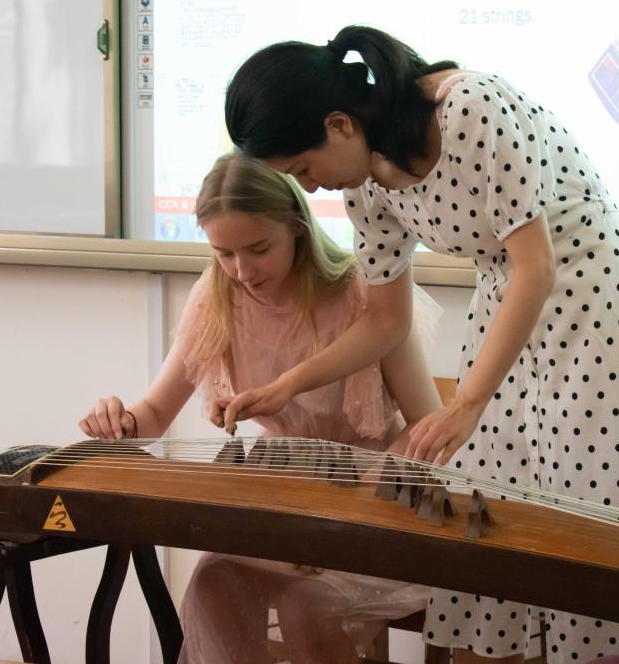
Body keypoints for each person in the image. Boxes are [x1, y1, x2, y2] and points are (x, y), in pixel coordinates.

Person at [219, 26, 619, 663]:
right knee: (487, 522)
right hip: (507, 306)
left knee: (588, 517)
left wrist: (468, 403)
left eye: (303, 168)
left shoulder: (469, 108)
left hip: (597, 300)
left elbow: (537, 267)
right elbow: (385, 320)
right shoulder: (365, 188)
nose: (308, 186)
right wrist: (288, 384)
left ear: (339, 124)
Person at [78, 151, 442, 664]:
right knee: (212, 587)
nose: (242, 271)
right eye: (223, 253)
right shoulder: (217, 296)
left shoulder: (364, 297)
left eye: (258, 249)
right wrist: (120, 420)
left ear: (296, 227)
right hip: (281, 498)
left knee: (304, 606)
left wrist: (353, 506)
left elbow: (428, 424)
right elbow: (154, 414)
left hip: (374, 499)